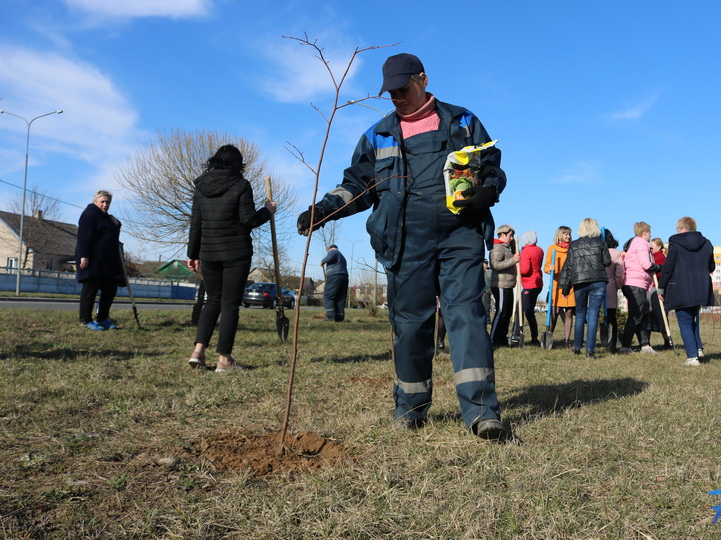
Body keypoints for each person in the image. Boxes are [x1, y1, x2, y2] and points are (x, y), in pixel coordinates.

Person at [296, 53, 506, 439]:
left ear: (423, 79)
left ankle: (482, 413)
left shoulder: (463, 122)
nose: (397, 97)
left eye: (403, 89)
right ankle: (410, 407)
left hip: (460, 235)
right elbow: (358, 185)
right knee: (410, 326)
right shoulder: (378, 135)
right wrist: (322, 210)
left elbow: (490, 164)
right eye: (390, 93)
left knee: (467, 318)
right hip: (404, 241)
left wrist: (487, 188)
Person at [187, 144, 276, 372]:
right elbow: (248, 220)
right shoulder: (240, 184)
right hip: (236, 253)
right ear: (238, 164)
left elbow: (195, 224)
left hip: (208, 252)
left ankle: (198, 351)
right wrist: (268, 211)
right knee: (229, 305)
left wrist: (192, 254)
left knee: (212, 301)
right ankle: (224, 360)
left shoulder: (200, 186)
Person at [656, 217, 715, 366]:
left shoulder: (675, 245)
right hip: (701, 287)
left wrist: (661, 288)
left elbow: (668, 268)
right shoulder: (707, 244)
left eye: (677, 229)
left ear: (682, 229)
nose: (676, 232)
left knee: (685, 321)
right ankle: (698, 348)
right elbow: (712, 267)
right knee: (693, 319)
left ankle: (692, 356)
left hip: (681, 288)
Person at [559, 218, 611, 357]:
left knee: (580, 314)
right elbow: (607, 261)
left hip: (580, 282)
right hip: (598, 281)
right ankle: (590, 350)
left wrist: (565, 288)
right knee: (593, 315)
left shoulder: (574, 245)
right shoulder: (601, 242)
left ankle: (577, 347)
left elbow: (569, 267)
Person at [76, 190, 123, 330]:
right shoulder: (90, 215)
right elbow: (83, 237)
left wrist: (117, 223)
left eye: (107, 202)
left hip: (107, 261)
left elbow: (112, 230)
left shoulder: (106, 217)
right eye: (102, 201)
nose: (105, 204)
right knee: (90, 289)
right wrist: (84, 255)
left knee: (110, 288)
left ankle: (102, 318)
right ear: (95, 201)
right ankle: (86, 320)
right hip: (92, 260)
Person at [620, 222, 662, 354]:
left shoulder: (635, 244)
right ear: (644, 232)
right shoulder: (642, 244)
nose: (650, 235)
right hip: (636, 284)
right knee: (636, 316)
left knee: (639, 314)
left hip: (633, 283)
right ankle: (625, 346)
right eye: (649, 232)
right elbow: (646, 264)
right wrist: (659, 267)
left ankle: (645, 345)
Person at [544, 226, 576, 346]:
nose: (568, 236)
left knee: (569, 312)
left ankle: (567, 340)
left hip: (571, 284)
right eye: (565, 234)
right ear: (559, 235)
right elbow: (546, 267)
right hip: (557, 284)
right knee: (554, 312)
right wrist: (550, 268)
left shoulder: (573, 248)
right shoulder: (552, 248)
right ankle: (549, 336)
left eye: (569, 234)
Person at [490, 225, 520, 347]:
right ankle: (492, 338)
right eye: (510, 235)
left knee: (507, 313)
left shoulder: (507, 248)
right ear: (502, 234)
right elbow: (495, 265)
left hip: (508, 285)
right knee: (501, 311)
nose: (512, 238)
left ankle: (501, 338)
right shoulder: (497, 248)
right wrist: (513, 260)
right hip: (500, 284)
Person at [599, 229, 624, 354]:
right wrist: (617, 285)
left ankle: (592, 343)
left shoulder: (596, 252)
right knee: (612, 316)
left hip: (596, 286)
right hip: (610, 286)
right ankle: (612, 344)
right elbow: (619, 273)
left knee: (593, 314)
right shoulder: (616, 253)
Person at [519, 230, 544, 346]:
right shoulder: (539, 250)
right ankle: (533, 336)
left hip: (529, 283)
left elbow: (525, 270)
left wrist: (516, 268)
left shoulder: (525, 252)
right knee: (527, 310)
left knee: (525, 311)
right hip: (538, 283)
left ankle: (529, 336)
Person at [649, 237, 671, 349]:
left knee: (660, 315)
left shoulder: (660, 257)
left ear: (659, 246)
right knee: (648, 315)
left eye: (652, 245)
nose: (651, 247)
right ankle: (646, 342)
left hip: (656, 288)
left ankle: (667, 339)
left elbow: (662, 272)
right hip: (650, 288)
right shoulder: (650, 256)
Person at [321, 244, 349, 322]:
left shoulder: (333, 251)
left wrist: (322, 261)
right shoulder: (342, 257)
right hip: (344, 277)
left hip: (334, 276)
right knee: (340, 298)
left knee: (328, 296)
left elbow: (329, 257)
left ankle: (330, 317)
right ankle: (339, 317)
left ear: (329, 249)